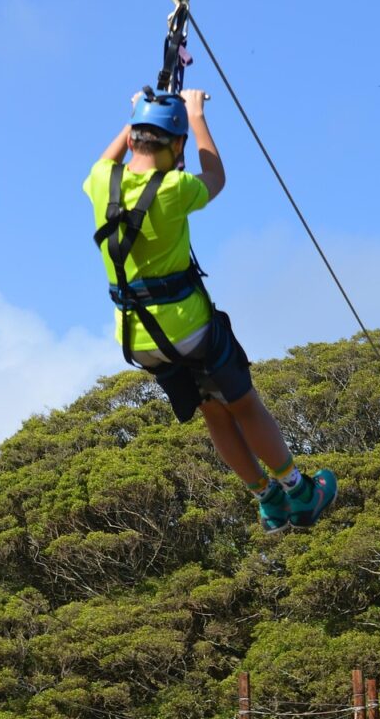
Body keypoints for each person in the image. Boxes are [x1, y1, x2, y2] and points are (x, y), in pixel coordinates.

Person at [83, 87, 337, 531]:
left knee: (212, 412)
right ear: (175, 145)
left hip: (138, 339)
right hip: (188, 328)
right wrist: (196, 115)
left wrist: (140, 112)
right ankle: (298, 489)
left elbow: (117, 149)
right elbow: (215, 177)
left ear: (135, 138)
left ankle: (266, 499)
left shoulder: (100, 180)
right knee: (243, 404)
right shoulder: (175, 190)